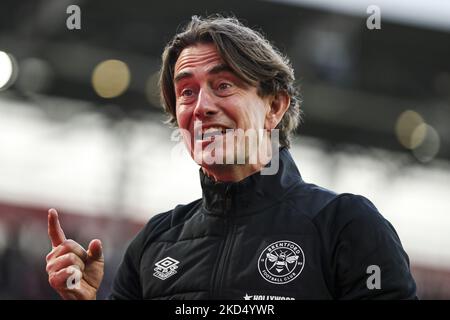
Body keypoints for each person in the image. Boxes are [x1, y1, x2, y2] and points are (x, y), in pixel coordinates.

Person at [45, 15, 417, 300]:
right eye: (186, 92)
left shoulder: (346, 226)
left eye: (223, 85)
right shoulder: (155, 242)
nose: (202, 106)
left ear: (274, 105)